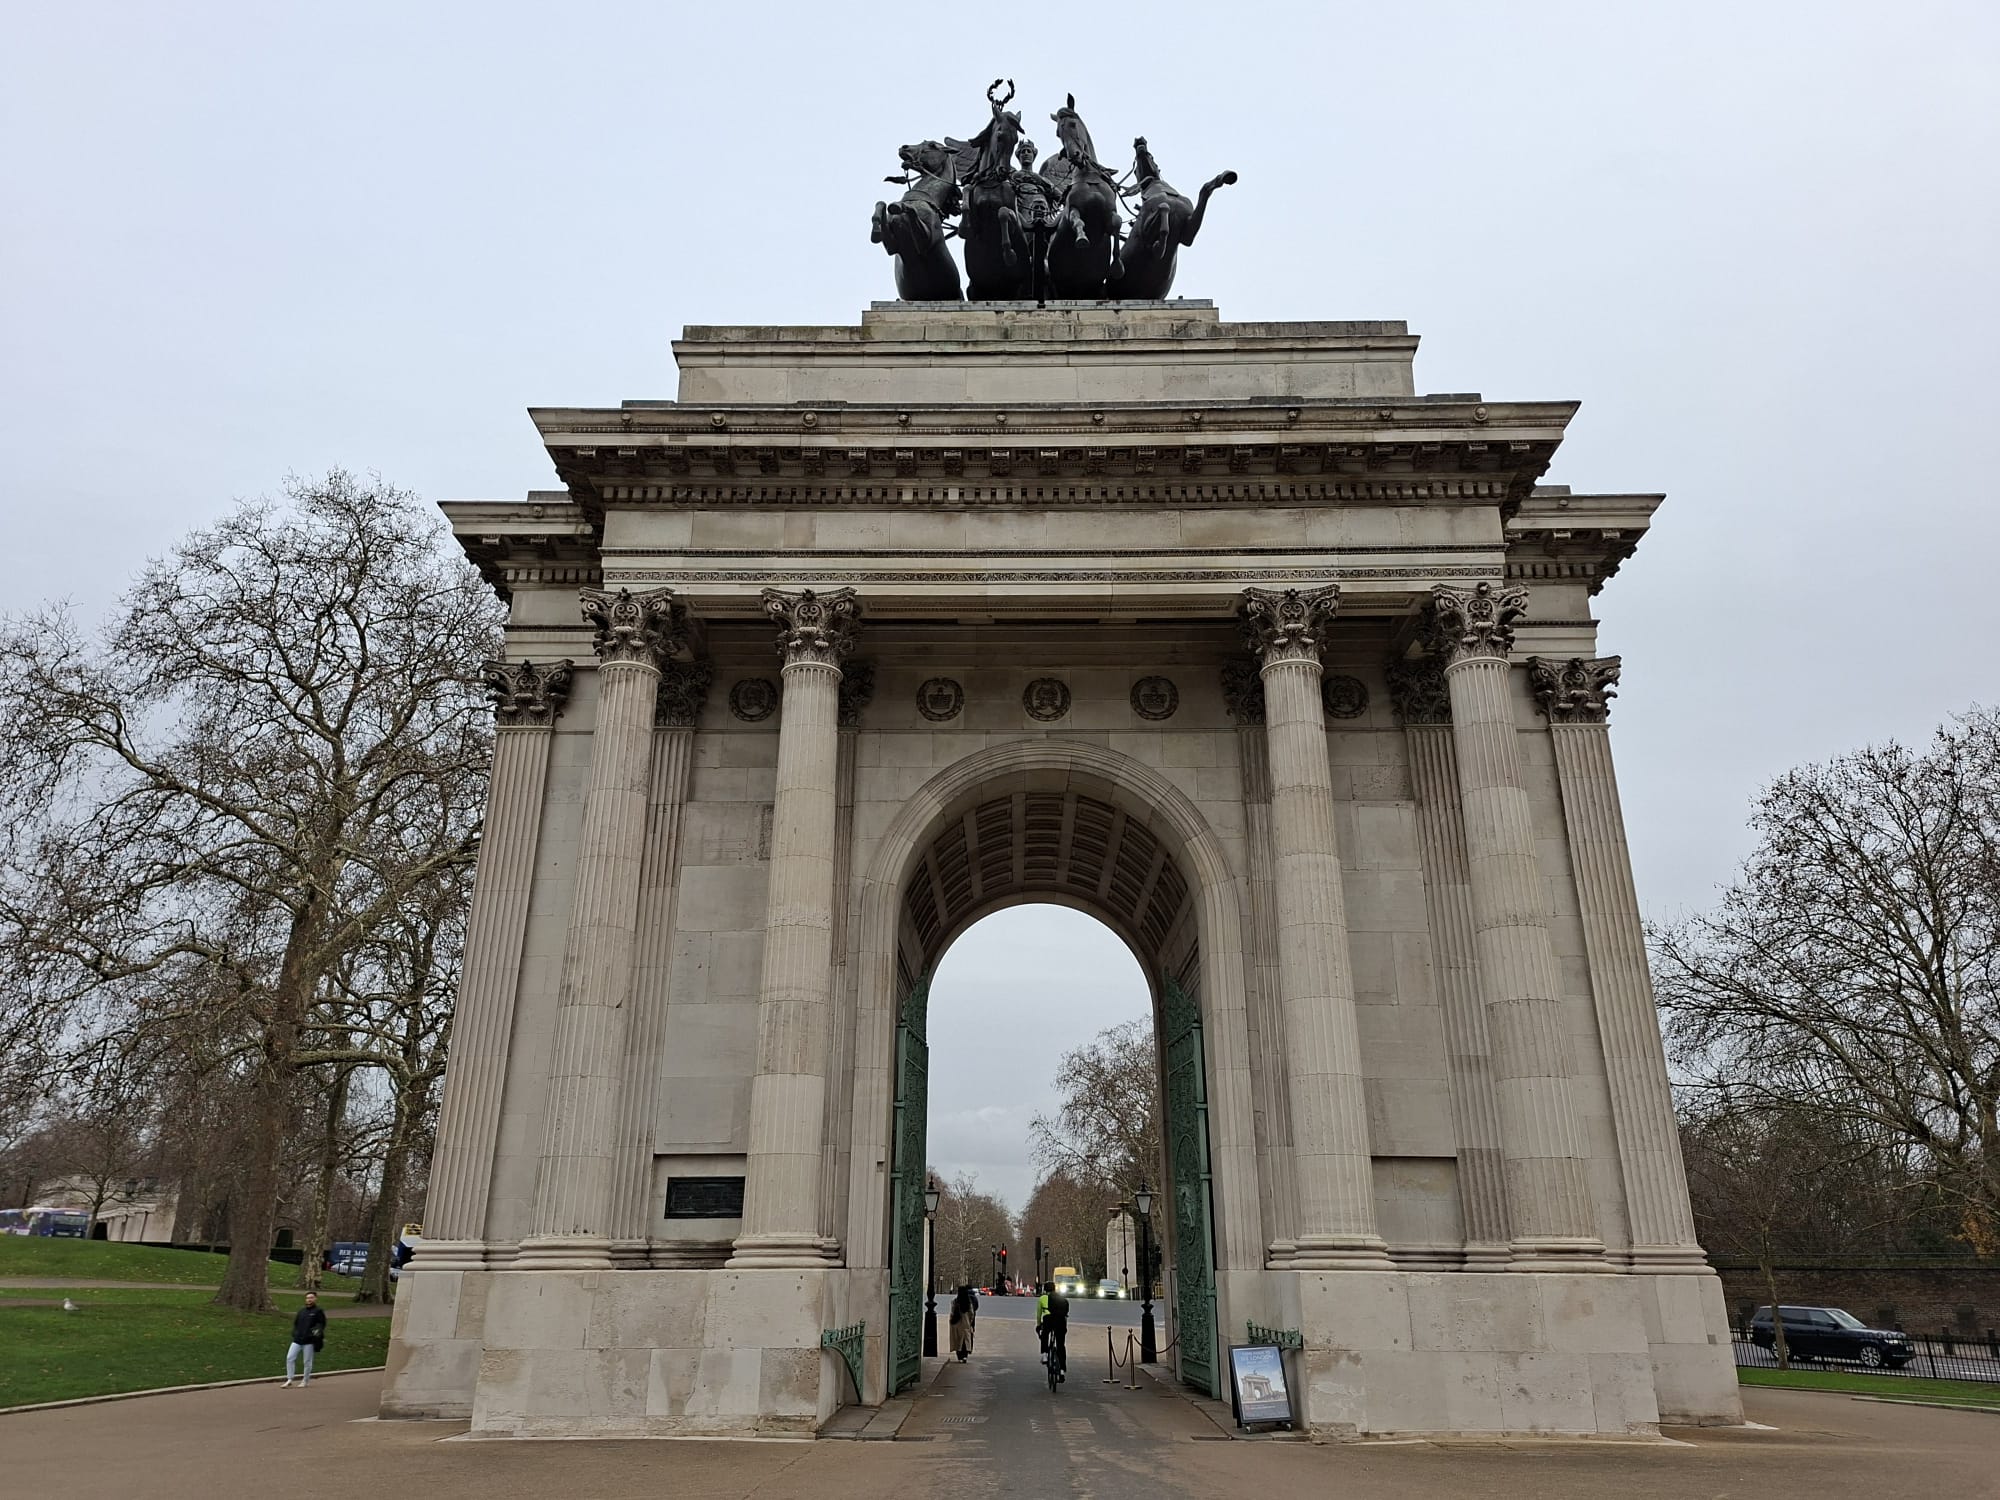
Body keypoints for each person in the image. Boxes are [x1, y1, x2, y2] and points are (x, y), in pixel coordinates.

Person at [281, 1291, 326, 1388]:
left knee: (307, 1361)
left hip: (309, 1341)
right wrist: (295, 1333)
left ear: (315, 1299)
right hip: (297, 1339)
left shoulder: (318, 1311)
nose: (309, 1299)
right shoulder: (302, 1311)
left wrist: (314, 1334)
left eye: (311, 1298)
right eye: (308, 1298)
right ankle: (289, 1379)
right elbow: (296, 1323)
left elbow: (321, 1324)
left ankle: (305, 1380)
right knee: (290, 1357)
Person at [1040, 1281, 1070, 1383]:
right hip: (1061, 1322)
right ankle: (1062, 1370)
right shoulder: (1063, 1299)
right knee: (1061, 1345)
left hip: (1051, 1320)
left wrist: (1039, 1326)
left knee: (1045, 1333)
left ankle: (1044, 1354)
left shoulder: (1047, 1298)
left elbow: (1048, 1310)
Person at [948, 1284, 978, 1362]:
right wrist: (970, 1322)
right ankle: (965, 1356)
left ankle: (959, 1356)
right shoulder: (968, 1302)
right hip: (966, 1323)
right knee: (965, 1340)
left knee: (957, 1340)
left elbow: (952, 1312)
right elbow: (972, 1314)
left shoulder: (955, 1301)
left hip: (957, 1323)